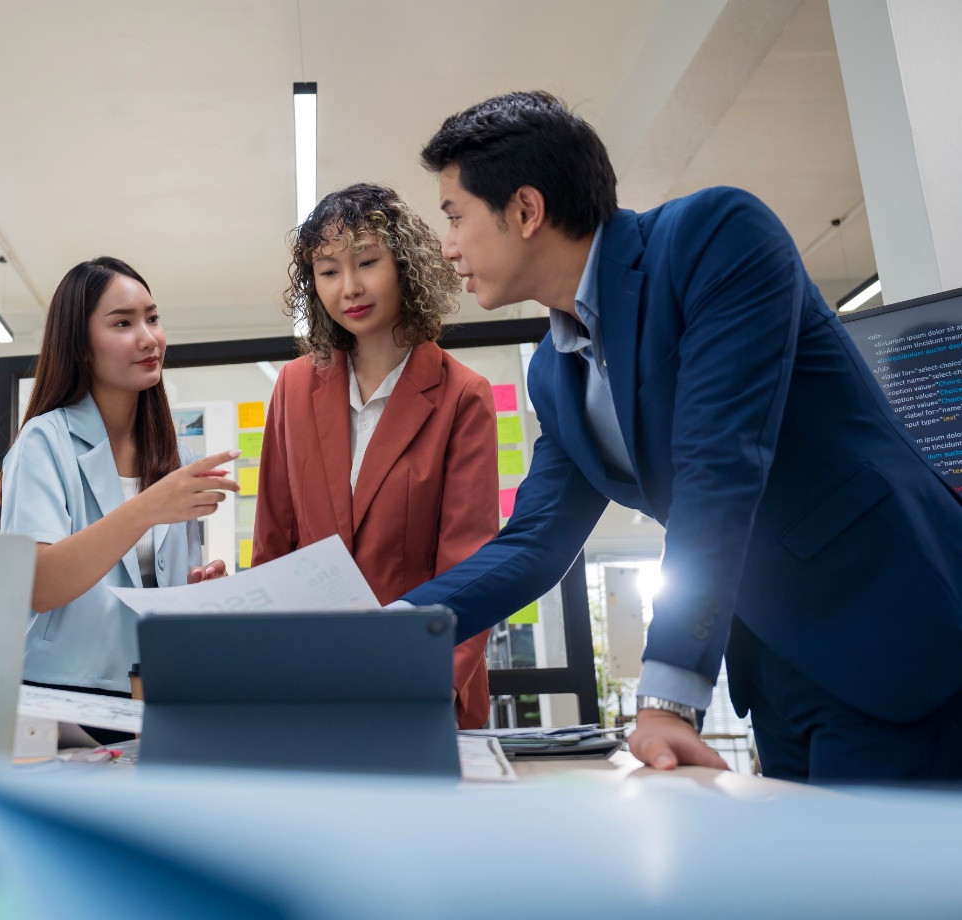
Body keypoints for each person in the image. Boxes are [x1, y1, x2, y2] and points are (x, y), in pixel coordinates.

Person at [397, 91, 962, 782]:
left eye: (455, 217)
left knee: (899, 888)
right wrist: (390, 623)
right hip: (777, 667)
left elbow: (719, 462)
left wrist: (667, 695)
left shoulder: (713, 237)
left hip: (891, 629)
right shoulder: (554, 369)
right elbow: (535, 542)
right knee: (818, 884)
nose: (448, 247)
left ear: (524, 209)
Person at [255, 183, 499, 729]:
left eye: (367, 261)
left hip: (422, 684)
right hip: (312, 682)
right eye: (328, 271)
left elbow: (470, 566)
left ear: (405, 265)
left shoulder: (462, 394)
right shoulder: (293, 387)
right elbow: (274, 546)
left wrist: (424, 682)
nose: (350, 287)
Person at [0, 257, 237, 739]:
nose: (149, 338)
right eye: (123, 323)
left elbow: (152, 596)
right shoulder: (45, 442)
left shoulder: (174, 455)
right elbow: (40, 584)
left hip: (153, 695)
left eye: (152, 318)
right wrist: (149, 508)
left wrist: (197, 592)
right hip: (61, 698)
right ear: (81, 346)